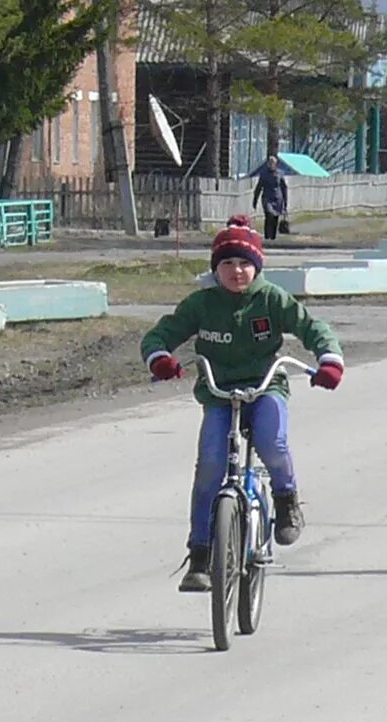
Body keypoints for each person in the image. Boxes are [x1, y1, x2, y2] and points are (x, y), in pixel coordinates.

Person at [142, 216, 345, 591]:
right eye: (228, 264)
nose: (237, 271)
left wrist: (329, 360)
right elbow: (162, 333)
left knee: (271, 441)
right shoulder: (201, 304)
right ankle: (200, 556)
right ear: (215, 269)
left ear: (257, 267)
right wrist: (159, 357)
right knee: (210, 467)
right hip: (220, 394)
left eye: (245, 263)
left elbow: (313, 327)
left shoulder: (271, 299)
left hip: (265, 387)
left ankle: (286, 500)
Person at [247, 156, 290, 238]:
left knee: (275, 218)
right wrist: (255, 200)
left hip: (277, 199)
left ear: (275, 164)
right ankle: (267, 235)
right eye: (269, 163)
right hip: (267, 198)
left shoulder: (280, 174)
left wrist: (285, 201)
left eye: (273, 163)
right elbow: (259, 187)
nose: (271, 165)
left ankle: (273, 236)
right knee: (269, 215)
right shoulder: (264, 174)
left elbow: (284, 187)